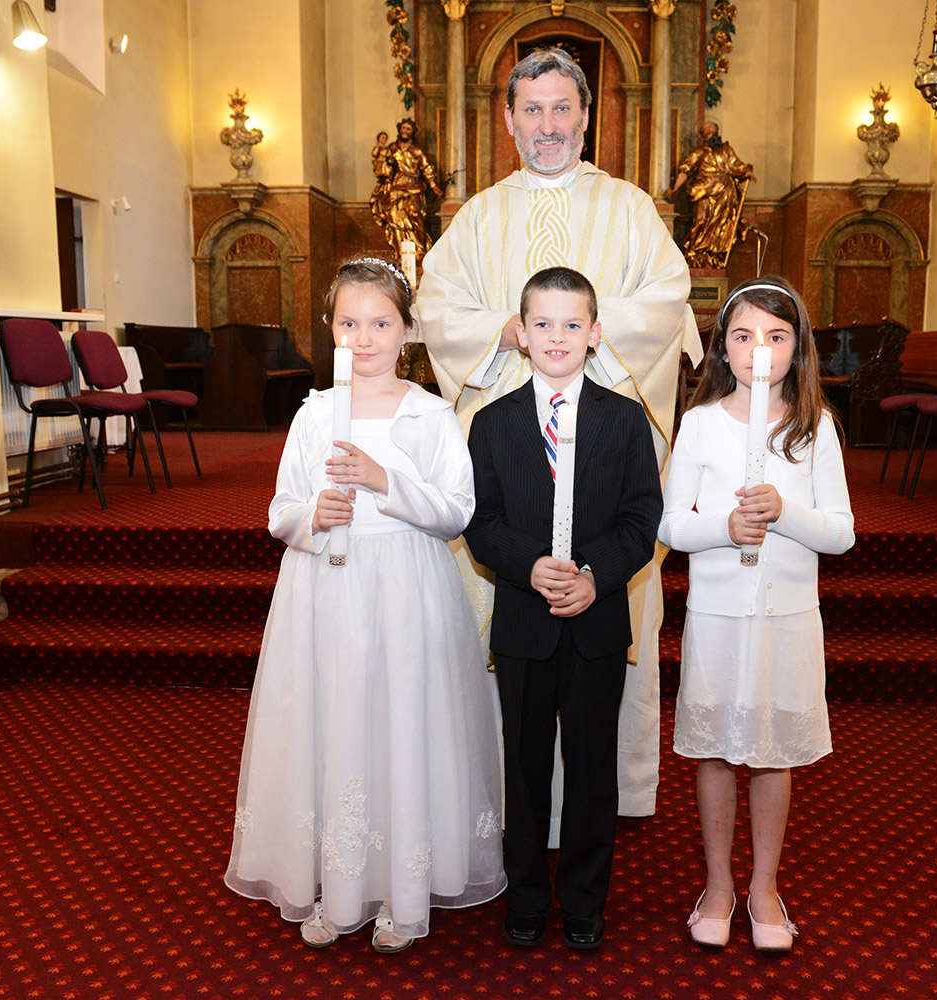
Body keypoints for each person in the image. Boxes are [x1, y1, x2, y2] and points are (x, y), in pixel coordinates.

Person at [416, 44, 697, 831]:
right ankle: (505, 797)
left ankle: (604, 800)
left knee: (603, 609)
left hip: (601, 449)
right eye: (532, 109)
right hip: (508, 450)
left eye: (562, 108)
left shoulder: (630, 209)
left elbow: (667, 295)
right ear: (508, 121)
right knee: (506, 602)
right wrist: (501, 331)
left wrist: (579, 336)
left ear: (585, 117)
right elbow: (436, 305)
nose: (548, 125)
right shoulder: (478, 216)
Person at [224, 258, 506, 954]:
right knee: (336, 722)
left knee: (400, 723)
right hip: (326, 590)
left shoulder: (430, 414)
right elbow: (280, 511)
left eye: (380, 323)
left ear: (407, 331)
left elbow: (456, 511)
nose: (364, 338)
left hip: (406, 590)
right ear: (330, 329)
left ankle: (402, 895)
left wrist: (384, 480)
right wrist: (313, 516)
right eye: (349, 324)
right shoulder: (314, 414)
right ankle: (338, 886)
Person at [465, 266, 663, 951]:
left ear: (595, 333)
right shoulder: (492, 424)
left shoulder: (625, 420)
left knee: (590, 766)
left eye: (572, 324)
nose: (557, 336)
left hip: (596, 623)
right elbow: (481, 521)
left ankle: (583, 896)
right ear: (521, 334)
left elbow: (642, 519)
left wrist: (595, 576)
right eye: (543, 324)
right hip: (523, 623)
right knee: (522, 767)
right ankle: (525, 895)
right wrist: (527, 566)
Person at [657, 276, 854, 952]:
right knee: (715, 751)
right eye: (742, 336)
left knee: (773, 755)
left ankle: (764, 885)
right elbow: (671, 525)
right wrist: (725, 527)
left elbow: (841, 533)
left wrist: (784, 512)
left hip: (787, 616)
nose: (757, 350)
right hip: (718, 613)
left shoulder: (814, 427)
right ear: (722, 349)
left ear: (797, 349)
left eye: (775, 336)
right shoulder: (701, 423)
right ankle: (718, 883)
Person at [665, 121, 755, 268]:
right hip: (704, 191)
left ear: (717, 130)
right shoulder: (699, 152)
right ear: (702, 135)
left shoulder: (726, 150)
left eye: (710, 127)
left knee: (721, 226)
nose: (708, 130)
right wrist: (675, 187)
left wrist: (746, 172)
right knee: (700, 222)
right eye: (705, 129)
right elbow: (686, 169)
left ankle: (714, 258)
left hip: (725, 192)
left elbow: (736, 166)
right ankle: (695, 254)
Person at [373, 118, 444, 257]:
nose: (405, 131)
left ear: (412, 132)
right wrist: (382, 159)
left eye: (408, 129)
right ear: (399, 130)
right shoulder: (392, 148)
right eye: (403, 128)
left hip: (413, 186)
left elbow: (426, 167)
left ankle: (420, 250)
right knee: (396, 218)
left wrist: (433, 185)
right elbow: (384, 167)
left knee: (415, 214)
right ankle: (400, 251)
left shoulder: (416, 149)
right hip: (397, 187)